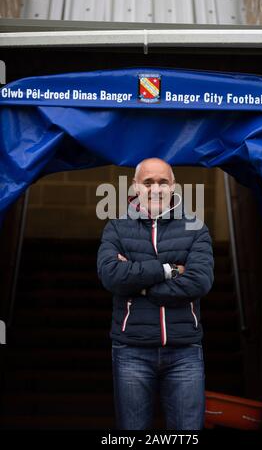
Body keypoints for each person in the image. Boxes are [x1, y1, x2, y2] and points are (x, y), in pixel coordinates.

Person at [97, 157, 214, 430]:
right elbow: (111, 276)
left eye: (163, 182)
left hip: (185, 351)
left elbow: (200, 281)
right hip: (131, 351)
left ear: (174, 186)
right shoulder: (116, 227)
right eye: (148, 182)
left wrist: (139, 285)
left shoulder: (195, 227)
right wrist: (170, 270)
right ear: (136, 187)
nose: (156, 189)